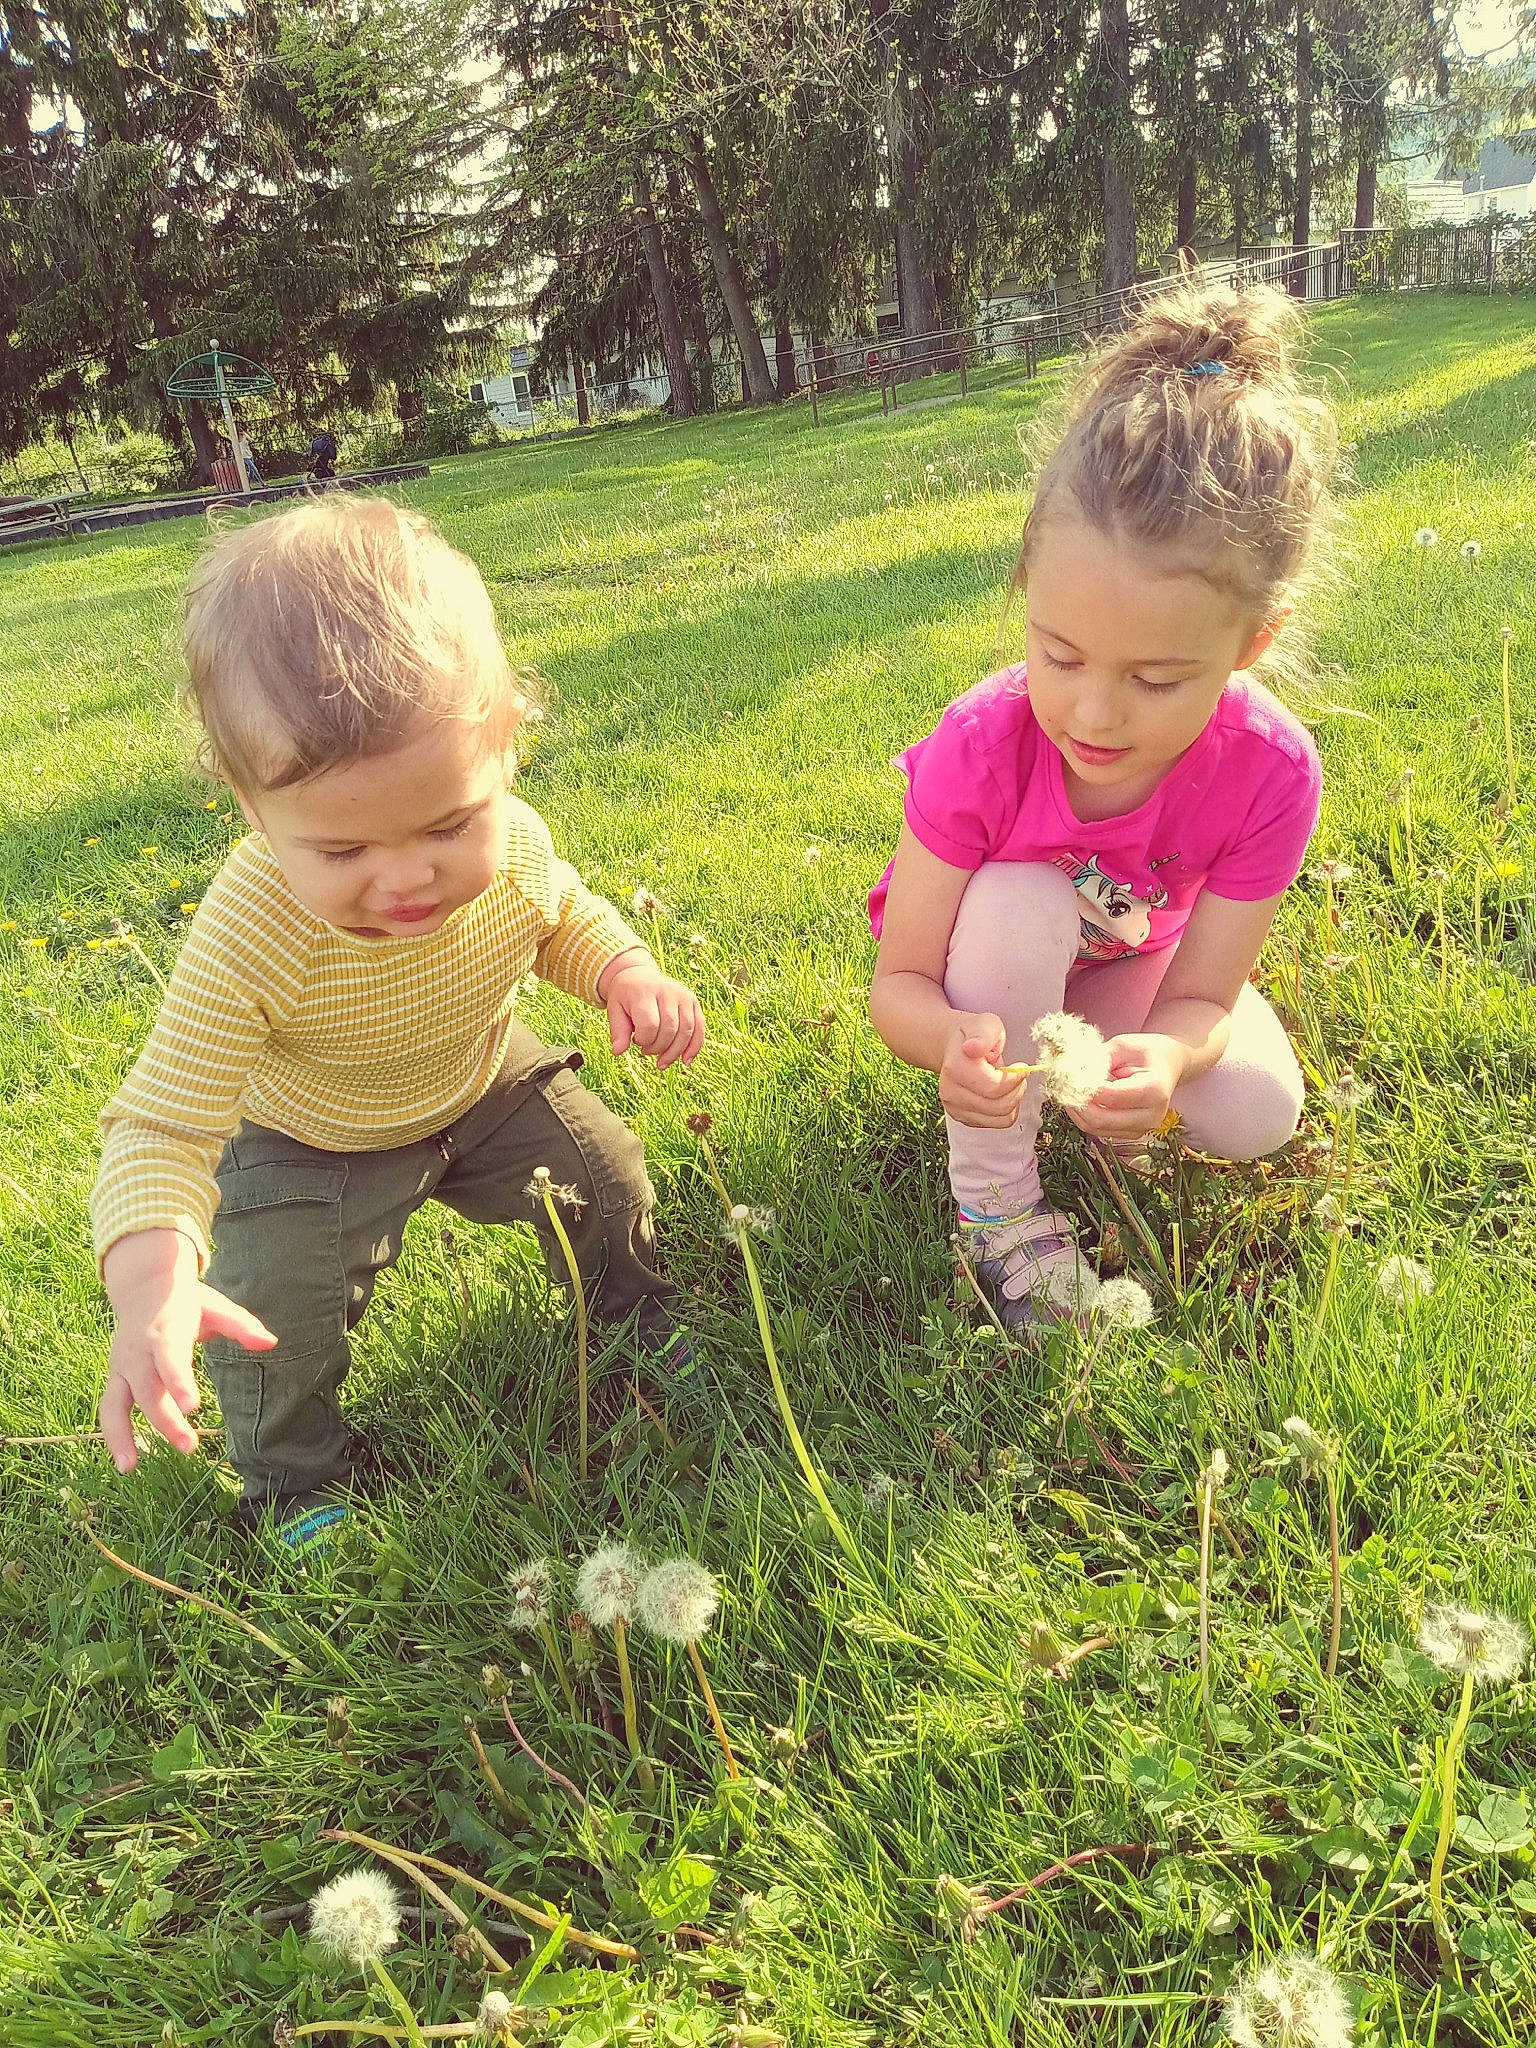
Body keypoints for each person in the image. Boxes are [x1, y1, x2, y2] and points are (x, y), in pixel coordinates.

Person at [90, 497, 707, 1550]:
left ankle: (637, 1315)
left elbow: (555, 911)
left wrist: (622, 966)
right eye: (343, 852)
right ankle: (293, 1481)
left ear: (507, 745)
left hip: (480, 1080)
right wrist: (151, 1278)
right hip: (311, 1137)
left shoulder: (509, 835)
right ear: (252, 808)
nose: (406, 874)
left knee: (608, 1176)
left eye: (444, 824)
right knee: (274, 1323)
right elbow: (161, 1127)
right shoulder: (252, 926)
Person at [868, 277, 1336, 1329]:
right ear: (1028, 588)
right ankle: (997, 1208)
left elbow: (1203, 996)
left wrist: (1164, 1057)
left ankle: (1083, 1091)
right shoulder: (979, 746)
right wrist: (951, 1044)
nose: (1093, 710)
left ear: (1250, 646)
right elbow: (897, 982)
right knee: (1024, 899)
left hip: (1124, 972)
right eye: (1058, 652)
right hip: (982, 971)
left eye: (1156, 678)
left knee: (1258, 1109)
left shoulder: (1274, 771)